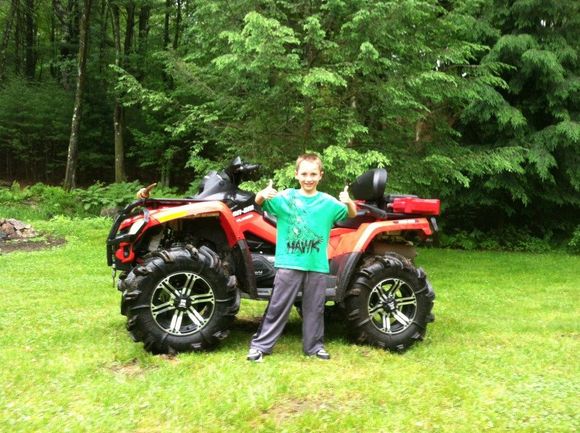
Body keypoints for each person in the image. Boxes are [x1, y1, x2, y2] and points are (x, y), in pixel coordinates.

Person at [247, 153, 357, 362]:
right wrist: (262, 194)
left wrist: (349, 202)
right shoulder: (286, 198)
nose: (309, 178)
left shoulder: (328, 202)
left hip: (317, 265)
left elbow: (351, 214)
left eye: (313, 174)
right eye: (304, 174)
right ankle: (260, 346)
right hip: (289, 262)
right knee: (278, 305)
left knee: (314, 308)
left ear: (320, 176)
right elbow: (259, 202)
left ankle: (314, 348)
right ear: (297, 175)